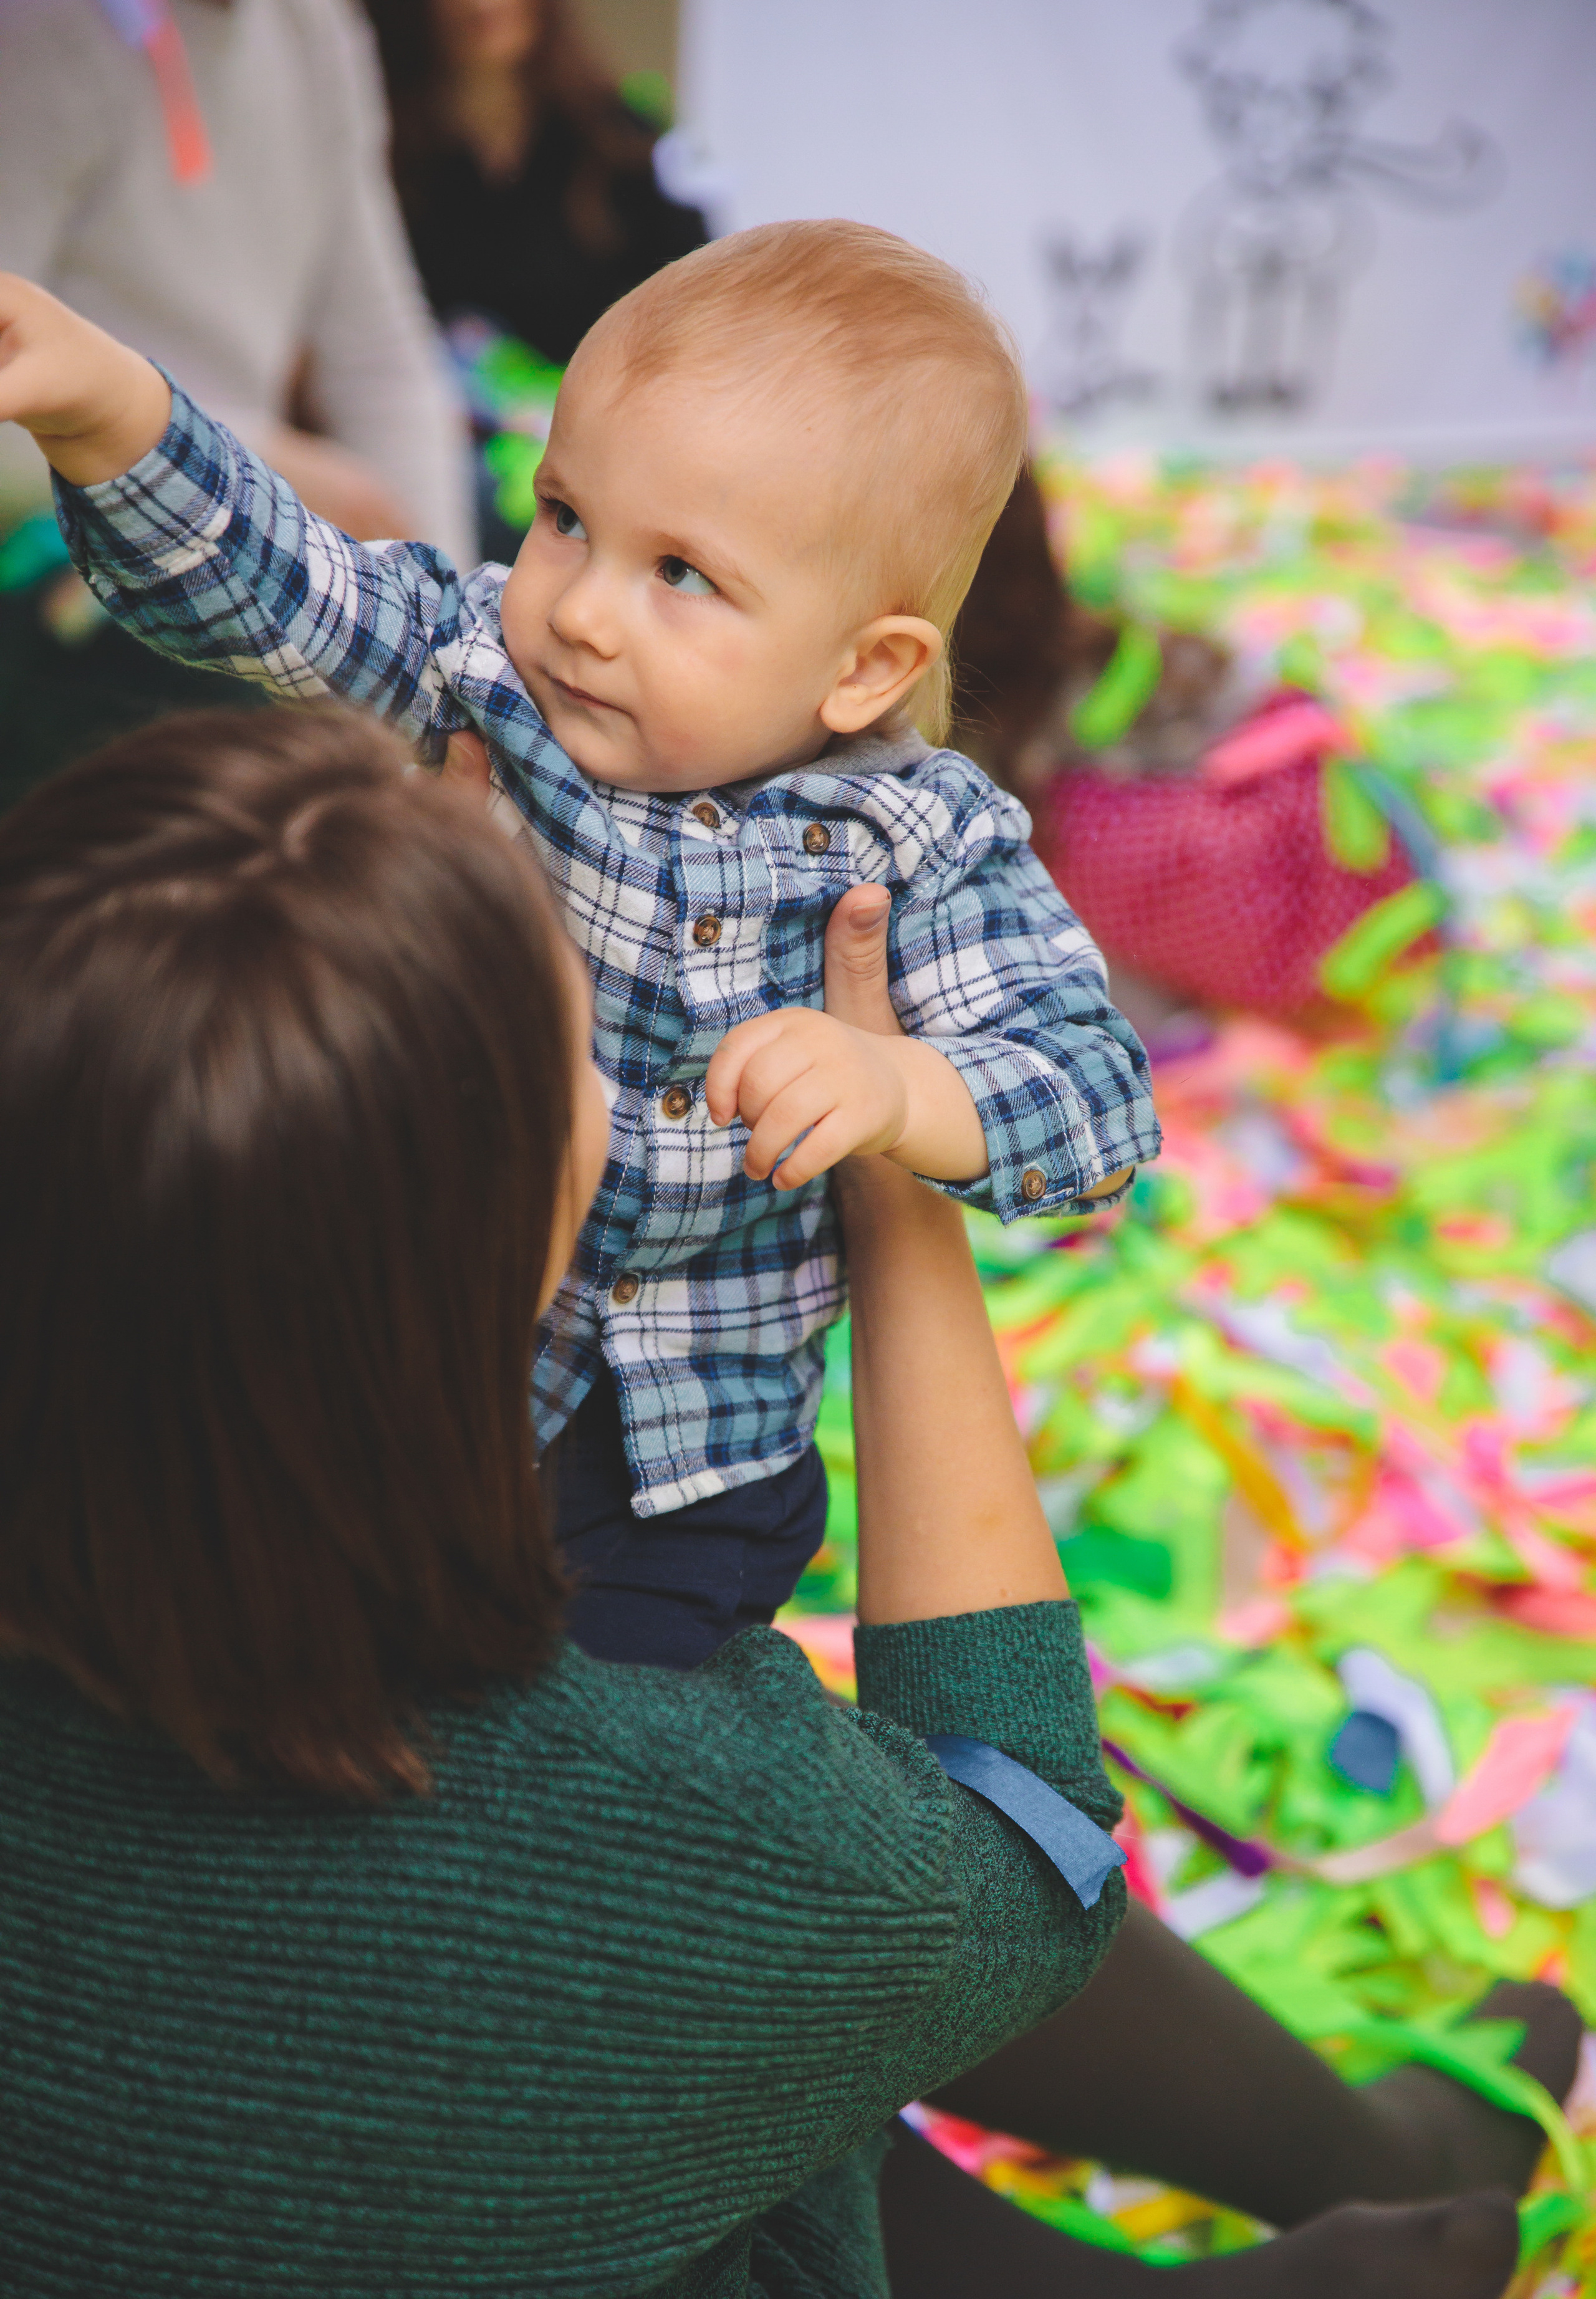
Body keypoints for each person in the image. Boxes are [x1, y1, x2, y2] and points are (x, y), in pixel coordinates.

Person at [0, 703, 1528, 2299]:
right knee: (740, 1991)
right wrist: (900, 1180)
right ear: (490, 1257)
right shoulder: (678, 1832)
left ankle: (1159, 2298)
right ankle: (1366, 2185)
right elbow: (1026, 1855)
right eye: (574, 1049)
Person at [0, 225, 1160, 1674]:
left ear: (867, 666)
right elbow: (282, 587)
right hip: (428, 1364)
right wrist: (112, 413)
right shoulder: (493, 673)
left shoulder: (919, 837)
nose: (581, 610)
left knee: (620, 1726)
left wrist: (897, 1089)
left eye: (680, 572)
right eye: (563, 516)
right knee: (361, 1669)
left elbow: (1092, 1098)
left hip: (690, 1470)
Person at [0, 0, 474, 807]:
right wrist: (258, 460)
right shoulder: (42, 32)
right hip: (56, 555)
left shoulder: (316, 32)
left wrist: (448, 678)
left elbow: (382, 360)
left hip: (238, 526)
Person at [367, 0, 708, 370]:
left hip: (593, 412)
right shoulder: (380, 144)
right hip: (430, 415)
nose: (483, 6)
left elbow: (698, 294)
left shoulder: (621, 140)